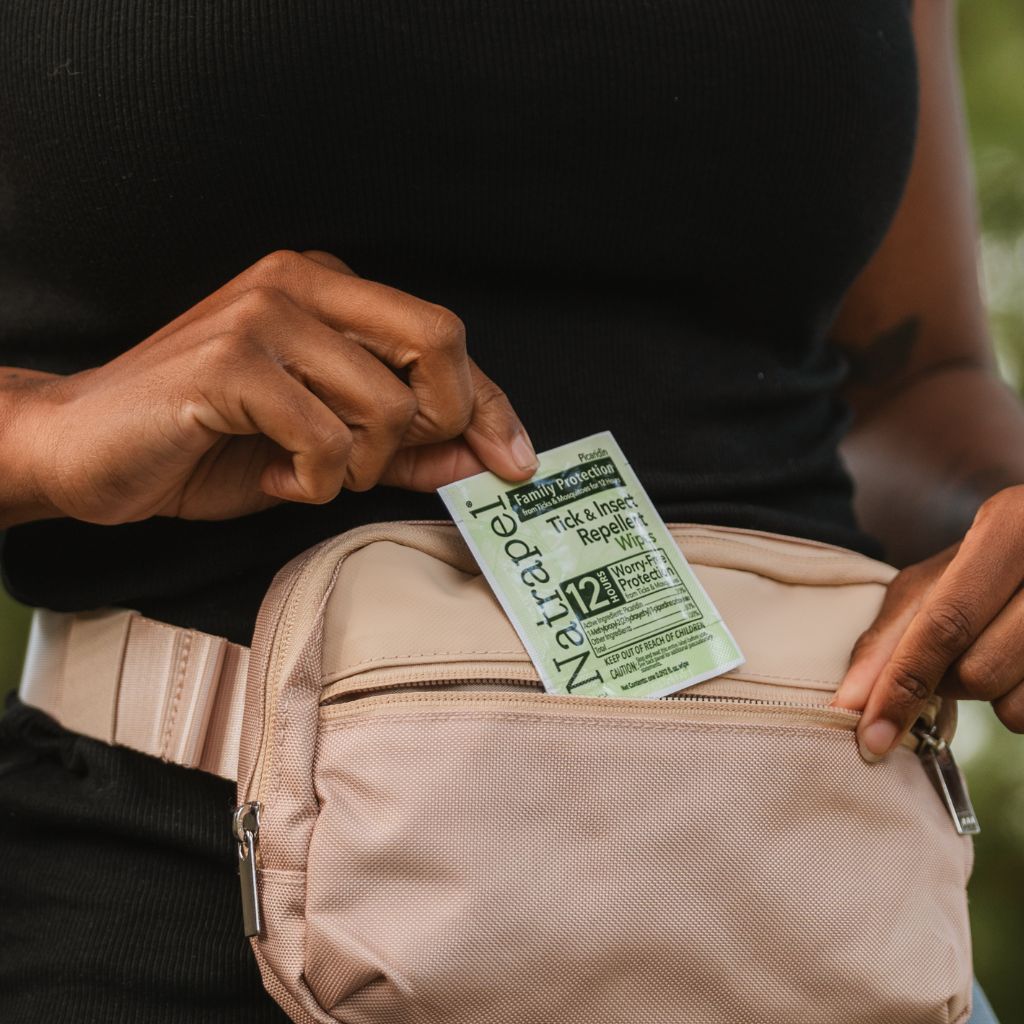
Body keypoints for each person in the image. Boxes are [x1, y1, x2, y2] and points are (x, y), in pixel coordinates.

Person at [0, 0, 1016, 1021]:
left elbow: (914, 384)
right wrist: (45, 429)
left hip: (817, 917)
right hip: (163, 911)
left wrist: (998, 524)